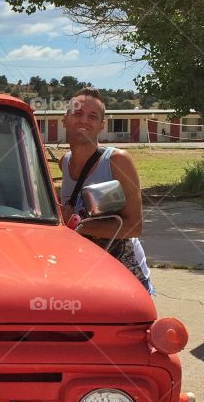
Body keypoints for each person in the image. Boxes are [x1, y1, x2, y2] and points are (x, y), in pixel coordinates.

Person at [60, 90, 154, 295]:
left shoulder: (117, 161)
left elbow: (134, 227)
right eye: (77, 114)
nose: (84, 120)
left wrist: (76, 225)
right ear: (64, 120)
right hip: (86, 276)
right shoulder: (64, 162)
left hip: (124, 276)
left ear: (102, 125)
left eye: (92, 116)